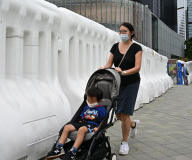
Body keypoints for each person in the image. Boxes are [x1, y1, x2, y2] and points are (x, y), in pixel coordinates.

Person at [99, 22, 142, 156]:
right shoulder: (115, 47)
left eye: (124, 31)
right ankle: (133, 124)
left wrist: (123, 72)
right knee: (118, 114)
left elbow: (137, 67)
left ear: (131, 33)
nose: (122, 33)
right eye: (120, 31)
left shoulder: (136, 48)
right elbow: (109, 63)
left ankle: (124, 142)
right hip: (117, 83)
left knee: (124, 113)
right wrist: (103, 69)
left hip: (131, 82)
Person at [46, 87, 107, 160]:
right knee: (67, 127)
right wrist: (76, 123)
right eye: (88, 100)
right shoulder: (86, 107)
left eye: (92, 101)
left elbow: (103, 121)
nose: (89, 103)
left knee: (82, 129)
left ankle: (73, 151)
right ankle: (58, 148)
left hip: (92, 125)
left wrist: (98, 128)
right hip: (83, 123)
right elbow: (81, 117)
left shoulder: (102, 109)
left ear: (99, 101)